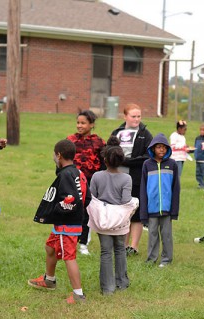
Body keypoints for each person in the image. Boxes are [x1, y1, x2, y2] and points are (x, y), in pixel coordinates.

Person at [28, 139, 91, 304]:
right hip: (69, 223)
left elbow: (72, 200)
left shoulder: (65, 175)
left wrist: (57, 210)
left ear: (59, 155)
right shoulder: (78, 173)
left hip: (67, 224)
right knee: (50, 247)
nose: (53, 158)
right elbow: (87, 197)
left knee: (69, 257)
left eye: (54, 155)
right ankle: (49, 280)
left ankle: (78, 295)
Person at [87, 137, 138, 295]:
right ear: (122, 160)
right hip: (121, 220)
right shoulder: (126, 178)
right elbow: (125, 201)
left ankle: (107, 288)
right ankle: (122, 282)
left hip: (103, 219)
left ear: (105, 159)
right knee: (120, 250)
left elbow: (92, 197)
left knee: (105, 252)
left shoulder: (97, 176)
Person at [111, 103, 153, 256]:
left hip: (136, 178)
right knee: (122, 211)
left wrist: (128, 161)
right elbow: (109, 150)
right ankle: (122, 244)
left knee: (135, 213)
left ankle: (133, 247)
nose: (136, 119)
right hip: (117, 177)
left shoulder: (145, 134)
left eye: (139, 116)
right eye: (133, 116)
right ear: (125, 117)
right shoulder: (117, 132)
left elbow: (149, 155)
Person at [67, 110, 106, 255]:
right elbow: (62, 159)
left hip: (90, 182)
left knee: (86, 212)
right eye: (78, 122)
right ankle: (69, 239)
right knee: (71, 209)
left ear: (91, 124)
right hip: (72, 180)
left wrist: (99, 180)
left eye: (83, 123)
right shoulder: (70, 140)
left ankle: (83, 243)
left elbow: (104, 163)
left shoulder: (99, 142)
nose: (79, 125)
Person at [140, 133, 180, 267]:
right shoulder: (147, 165)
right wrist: (143, 212)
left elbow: (176, 189)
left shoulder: (172, 164)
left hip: (167, 209)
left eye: (164, 147)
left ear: (167, 148)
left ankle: (166, 260)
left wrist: (174, 210)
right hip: (151, 208)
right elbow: (143, 189)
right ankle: (151, 259)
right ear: (153, 149)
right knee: (152, 235)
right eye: (158, 147)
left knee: (167, 235)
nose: (161, 150)